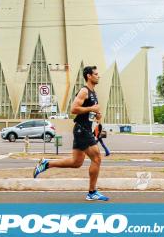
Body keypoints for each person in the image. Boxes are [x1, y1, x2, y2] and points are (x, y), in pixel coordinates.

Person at [32, 65, 109, 201]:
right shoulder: (84, 91)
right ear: (89, 76)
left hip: (84, 129)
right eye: (96, 74)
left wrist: (97, 114)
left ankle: (46, 163)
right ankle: (92, 192)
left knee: (76, 162)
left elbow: (90, 112)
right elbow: (73, 109)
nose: (98, 76)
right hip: (82, 130)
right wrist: (92, 108)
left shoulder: (93, 93)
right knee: (97, 159)